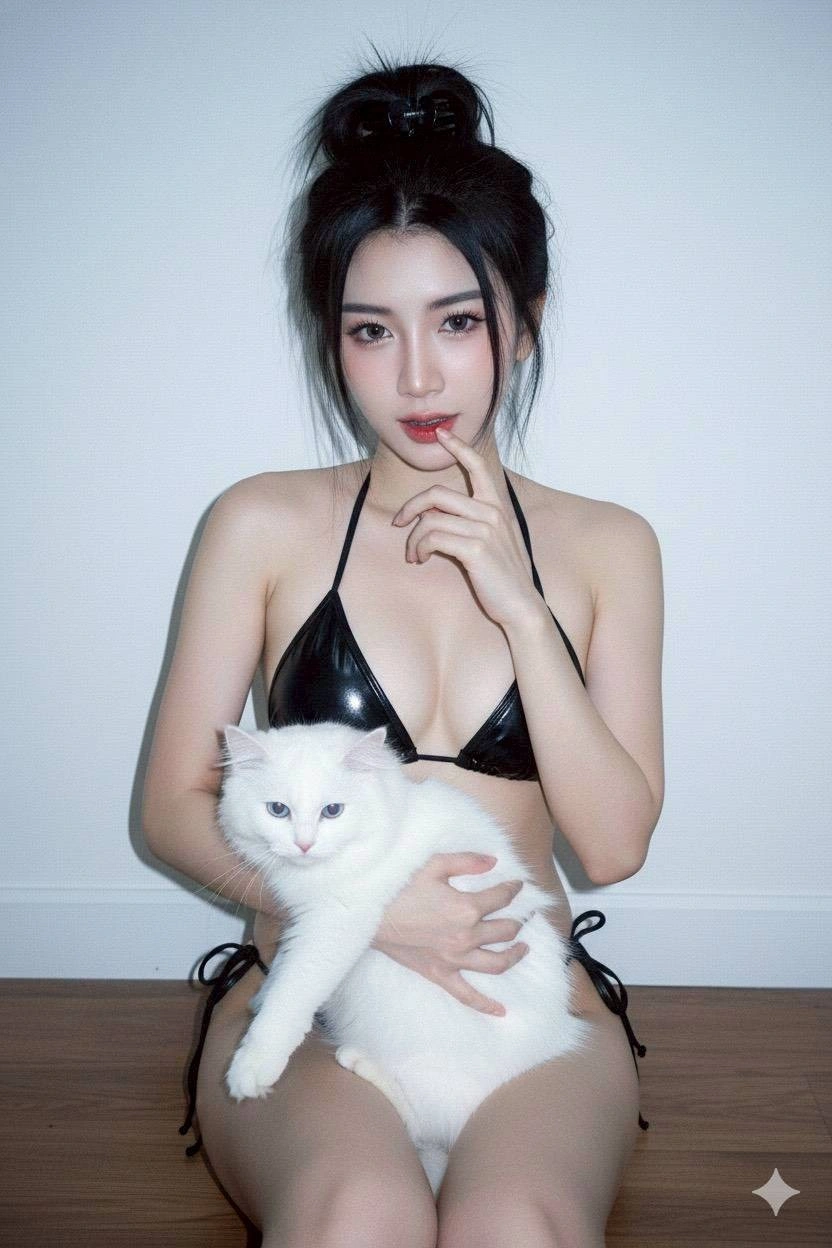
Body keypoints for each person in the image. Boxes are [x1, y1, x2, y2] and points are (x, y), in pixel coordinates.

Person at [142, 53, 664, 1248]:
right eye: (371, 330)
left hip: (526, 1015)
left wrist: (521, 608)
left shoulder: (607, 547)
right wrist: (369, 915)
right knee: (357, 1217)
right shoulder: (262, 524)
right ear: (330, 339)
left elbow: (614, 847)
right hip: (312, 999)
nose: (417, 376)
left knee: (514, 1227)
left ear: (522, 324)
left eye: (457, 322)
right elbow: (169, 806)